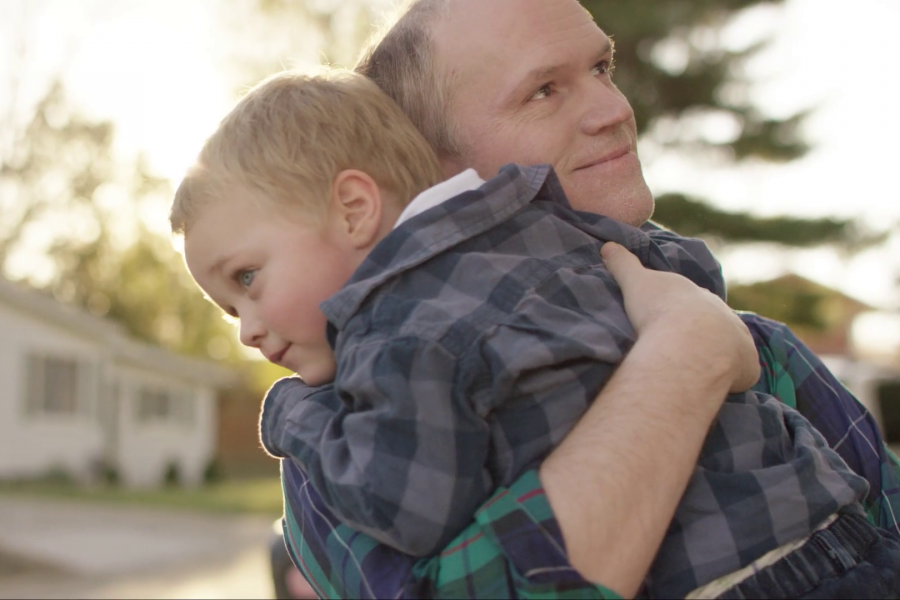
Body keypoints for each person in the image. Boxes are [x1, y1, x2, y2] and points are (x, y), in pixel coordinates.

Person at [171, 70, 899, 598]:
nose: (247, 331)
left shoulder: (393, 336)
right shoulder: (552, 227)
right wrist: (673, 342)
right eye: (544, 89)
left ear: (357, 207)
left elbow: (411, 505)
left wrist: (291, 414)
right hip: (850, 546)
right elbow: (684, 272)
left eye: (245, 282)